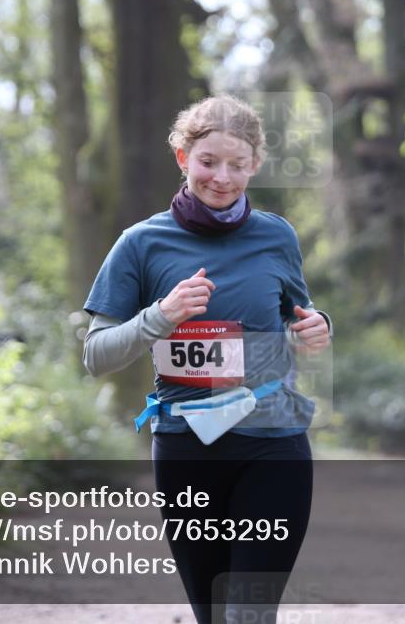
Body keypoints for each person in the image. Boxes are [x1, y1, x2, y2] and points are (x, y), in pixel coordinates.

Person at [81, 94, 332, 624]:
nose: (222, 178)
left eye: (237, 165)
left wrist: (317, 325)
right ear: (182, 158)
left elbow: (299, 311)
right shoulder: (141, 244)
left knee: (248, 614)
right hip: (186, 450)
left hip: (273, 444)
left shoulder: (276, 236)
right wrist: (160, 316)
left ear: (255, 165)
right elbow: (96, 356)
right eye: (208, 162)